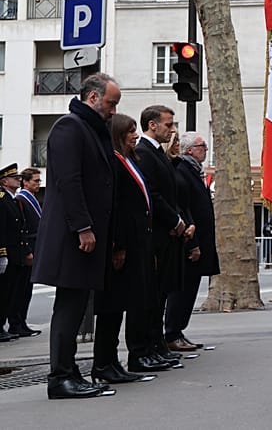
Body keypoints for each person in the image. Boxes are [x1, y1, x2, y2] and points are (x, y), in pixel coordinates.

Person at [31, 73, 120, 399]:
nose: (113, 111)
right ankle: (61, 377)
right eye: (111, 103)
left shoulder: (92, 130)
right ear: (93, 98)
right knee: (69, 307)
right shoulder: (70, 127)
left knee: (76, 303)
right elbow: (70, 182)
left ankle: (69, 373)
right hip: (74, 236)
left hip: (84, 236)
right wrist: (83, 227)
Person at [92, 114, 154, 383]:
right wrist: (118, 245)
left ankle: (111, 361)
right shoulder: (114, 163)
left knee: (122, 305)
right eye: (130, 131)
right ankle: (103, 363)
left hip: (136, 240)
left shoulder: (128, 160)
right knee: (112, 305)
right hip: (121, 245)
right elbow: (115, 206)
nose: (135, 135)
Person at [135, 106, 191, 370]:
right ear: (152, 125)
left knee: (160, 297)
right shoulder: (144, 153)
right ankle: (147, 348)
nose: (172, 130)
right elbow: (153, 195)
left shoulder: (158, 153)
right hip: (157, 234)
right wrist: (176, 221)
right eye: (168, 125)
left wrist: (181, 220)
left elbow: (171, 195)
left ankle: (156, 347)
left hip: (168, 234)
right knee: (151, 298)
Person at [165, 132, 220, 351]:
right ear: (189, 150)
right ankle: (172, 332)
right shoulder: (182, 171)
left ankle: (178, 331)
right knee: (182, 291)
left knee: (190, 290)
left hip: (200, 239)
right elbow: (185, 208)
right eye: (202, 146)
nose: (205, 149)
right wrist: (193, 242)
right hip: (190, 241)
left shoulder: (194, 171)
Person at [0, 164, 32, 341]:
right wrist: (2, 253)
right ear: (4, 181)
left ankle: (7, 325)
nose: (18, 180)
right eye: (15, 178)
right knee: (4, 292)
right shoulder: (2, 199)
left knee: (12, 293)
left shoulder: (12, 199)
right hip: (9, 254)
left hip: (17, 254)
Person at [10, 167, 42, 336]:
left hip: (34, 246)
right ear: (26, 182)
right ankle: (16, 323)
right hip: (27, 248)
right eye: (35, 181)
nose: (38, 184)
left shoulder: (31, 199)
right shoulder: (21, 199)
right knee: (20, 289)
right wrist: (27, 250)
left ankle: (22, 321)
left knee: (27, 289)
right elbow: (22, 228)